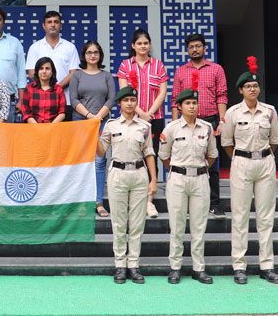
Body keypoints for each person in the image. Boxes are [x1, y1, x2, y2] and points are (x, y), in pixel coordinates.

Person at [222, 56, 278, 285]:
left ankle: (267, 265)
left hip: (265, 163)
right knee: (240, 216)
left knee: (265, 217)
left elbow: (274, 140)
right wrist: (241, 158)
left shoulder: (269, 111)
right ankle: (239, 266)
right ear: (241, 90)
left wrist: (261, 155)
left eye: (255, 86)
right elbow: (227, 143)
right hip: (242, 163)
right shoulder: (233, 113)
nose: (252, 89)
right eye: (248, 86)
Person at [159, 75, 218, 285]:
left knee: (198, 226)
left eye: (194, 103)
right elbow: (164, 155)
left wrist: (199, 170)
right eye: (188, 103)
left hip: (200, 179)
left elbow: (212, 155)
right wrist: (178, 170)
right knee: (176, 226)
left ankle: (198, 268)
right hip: (178, 179)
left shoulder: (206, 128)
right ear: (180, 106)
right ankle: (175, 267)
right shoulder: (171, 128)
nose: (192, 106)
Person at [97, 84, 157, 284]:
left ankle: (134, 265)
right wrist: (92, 134)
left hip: (139, 173)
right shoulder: (111, 125)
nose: (130, 103)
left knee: (137, 223)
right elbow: (101, 151)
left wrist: (153, 180)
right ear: (119, 104)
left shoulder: (144, 126)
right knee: (119, 222)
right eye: (126, 100)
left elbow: (149, 153)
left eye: (133, 100)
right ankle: (120, 265)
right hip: (118, 174)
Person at [170, 33, 228, 218]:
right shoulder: (181, 71)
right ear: (187, 50)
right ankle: (188, 205)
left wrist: (222, 121)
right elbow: (175, 99)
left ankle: (214, 204)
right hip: (186, 123)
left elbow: (221, 95)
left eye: (197, 46)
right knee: (187, 162)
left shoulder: (216, 69)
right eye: (191, 47)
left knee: (212, 163)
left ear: (204, 48)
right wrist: (175, 124)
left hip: (210, 121)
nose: (194, 50)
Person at [117, 28, 168, 219]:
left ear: (150, 44)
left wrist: (149, 113)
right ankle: (132, 200)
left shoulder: (158, 65)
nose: (143, 46)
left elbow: (162, 92)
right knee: (130, 157)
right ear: (133, 45)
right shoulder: (125, 65)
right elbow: (124, 93)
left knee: (151, 157)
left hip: (154, 118)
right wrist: (140, 113)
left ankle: (149, 201)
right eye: (139, 43)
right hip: (131, 118)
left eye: (146, 43)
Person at [70, 41, 117, 217]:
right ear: (84, 55)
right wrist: (90, 116)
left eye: (96, 52)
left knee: (99, 161)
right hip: (81, 122)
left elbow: (111, 99)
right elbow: (73, 100)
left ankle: (98, 201)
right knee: (82, 162)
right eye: (89, 52)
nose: (92, 55)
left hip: (102, 122)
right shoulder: (77, 76)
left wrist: (98, 117)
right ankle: (82, 201)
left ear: (100, 55)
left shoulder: (106, 76)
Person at [26, 11, 80, 119]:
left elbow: (74, 73)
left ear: (61, 25)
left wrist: (56, 89)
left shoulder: (70, 47)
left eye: (56, 22)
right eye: (49, 22)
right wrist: (47, 89)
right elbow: (32, 73)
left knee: (64, 130)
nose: (53, 25)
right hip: (40, 102)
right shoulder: (35, 47)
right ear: (43, 25)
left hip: (66, 101)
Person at [22, 57, 66, 124]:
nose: (44, 71)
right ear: (37, 71)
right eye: (41, 68)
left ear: (52, 72)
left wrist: (50, 127)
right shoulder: (29, 89)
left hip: (54, 127)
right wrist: (37, 127)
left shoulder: (58, 90)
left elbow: (62, 112)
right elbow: (26, 112)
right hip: (33, 127)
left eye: (47, 68)